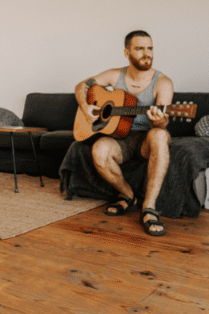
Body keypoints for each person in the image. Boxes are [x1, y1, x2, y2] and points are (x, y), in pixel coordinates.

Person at [74, 30, 173, 236]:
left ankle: (149, 208)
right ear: (127, 52)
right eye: (140, 48)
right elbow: (82, 85)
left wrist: (160, 120)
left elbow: (163, 123)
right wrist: (85, 106)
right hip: (121, 137)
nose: (147, 53)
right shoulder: (115, 75)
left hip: (147, 138)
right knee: (99, 149)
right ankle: (128, 196)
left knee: (160, 135)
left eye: (150, 48)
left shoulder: (163, 82)